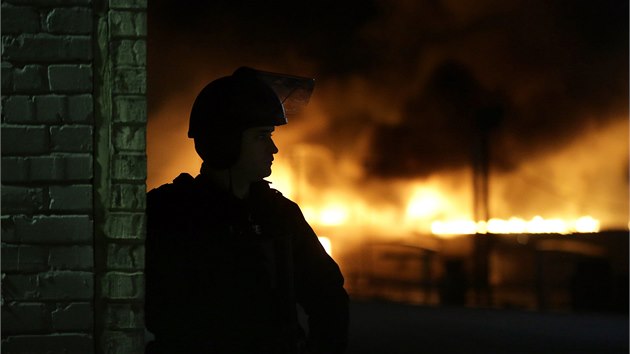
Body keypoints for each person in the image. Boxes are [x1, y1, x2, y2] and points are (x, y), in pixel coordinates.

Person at [145, 67, 349, 354]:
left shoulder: (279, 215)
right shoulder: (170, 212)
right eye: (261, 136)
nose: (274, 148)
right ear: (225, 142)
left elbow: (328, 297)